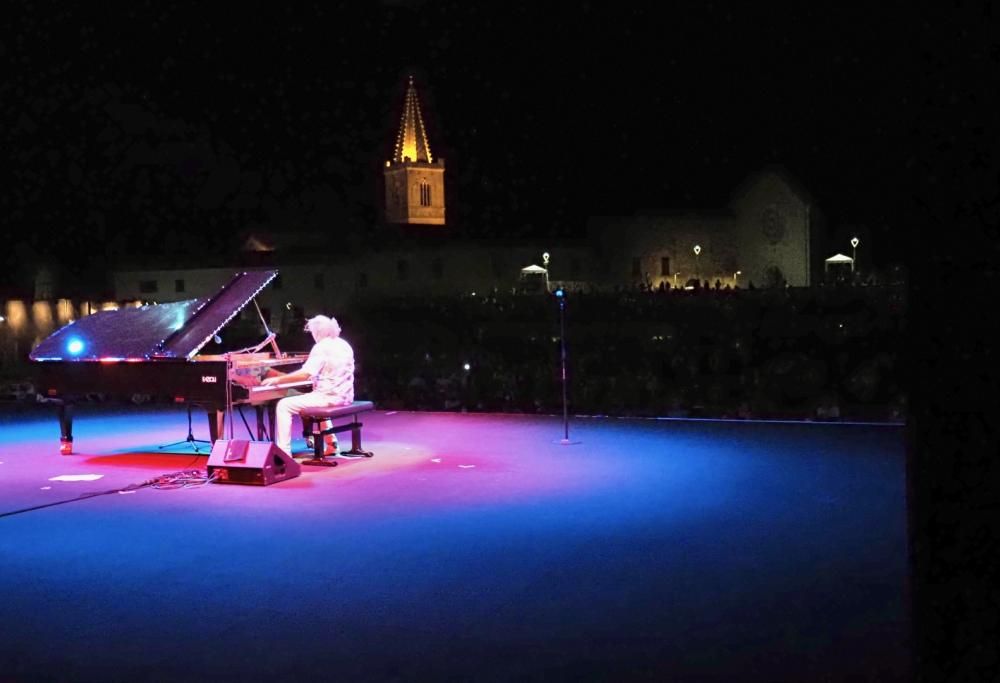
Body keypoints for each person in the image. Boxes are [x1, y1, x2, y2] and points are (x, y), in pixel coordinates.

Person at [260, 314, 354, 456]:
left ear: (318, 332)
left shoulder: (321, 347)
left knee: (284, 405)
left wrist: (278, 380)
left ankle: (284, 453)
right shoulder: (344, 344)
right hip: (346, 395)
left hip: (329, 397)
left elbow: (305, 374)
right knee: (314, 398)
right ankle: (332, 444)